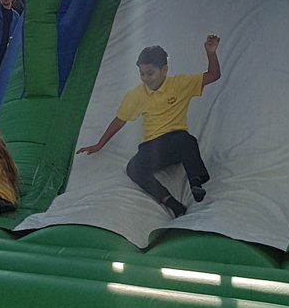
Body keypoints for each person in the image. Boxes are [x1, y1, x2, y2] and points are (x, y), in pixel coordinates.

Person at [77, 35, 221, 218]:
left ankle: (196, 182)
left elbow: (213, 75)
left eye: (150, 73)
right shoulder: (135, 95)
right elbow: (119, 120)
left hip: (176, 142)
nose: (146, 78)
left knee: (186, 139)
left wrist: (211, 53)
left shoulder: (179, 84)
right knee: (133, 168)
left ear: (164, 70)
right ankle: (172, 204)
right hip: (153, 147)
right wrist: (99, 144)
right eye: (142, 73)